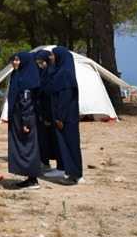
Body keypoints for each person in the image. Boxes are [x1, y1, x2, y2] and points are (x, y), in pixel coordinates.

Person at [48, 46, 84, 184]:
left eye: (53, 55)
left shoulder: (65, 75)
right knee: (66, 146)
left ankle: (74, 175)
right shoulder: (59, 72)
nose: (51, 57)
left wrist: (60, 117)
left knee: (71, 146)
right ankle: (71, 173)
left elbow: (65, 98)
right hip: (64, 117)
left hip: (66, 118)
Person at [7, 51, 42, 190]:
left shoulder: (27, 79)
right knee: (21, 147)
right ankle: (28, 177)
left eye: (17, 60)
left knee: (28, 147)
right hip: (17, 118)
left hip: (25, 118)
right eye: (13, 60)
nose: (14, 62)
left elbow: (26, 102)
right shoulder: (17, 75)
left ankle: (33, 180)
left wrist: (26, 122)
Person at [34, 49, 60, 175]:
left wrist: (48, 116)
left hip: (50, 113)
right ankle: (44, 161)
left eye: (42, 62)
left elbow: (49, 94)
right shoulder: (42, 73)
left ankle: (58, 166)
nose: (40, 65)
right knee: (43, 140)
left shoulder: (52, 73)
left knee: (53, 141)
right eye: (38, 63)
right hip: (42, 113)